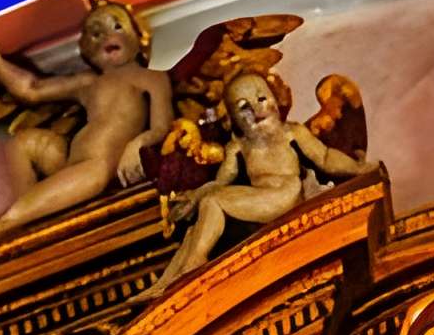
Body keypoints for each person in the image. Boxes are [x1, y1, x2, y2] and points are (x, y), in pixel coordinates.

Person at [0, 0, 173, 269]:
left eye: (117, 25)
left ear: (139, 36)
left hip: (96, 168)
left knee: (11, 217)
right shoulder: (88, 83)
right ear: (85, 51)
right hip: (71, 160)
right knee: (24, 142)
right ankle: (34, 220)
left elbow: (162, 126)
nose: (105, 35)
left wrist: (137, 144)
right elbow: (32, 89)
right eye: (95, 33)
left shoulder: (151, 78)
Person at [156, 69, 369, 289]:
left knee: (214, 202)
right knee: (202, 215)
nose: (256, 109)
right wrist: (195, 196)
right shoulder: (238, 147)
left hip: (286, 194)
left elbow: (325, 157)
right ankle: (176, 275)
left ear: (277, 101)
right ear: (233, 121)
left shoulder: (291, 132)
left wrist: (357, 168)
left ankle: (195, 261)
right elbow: (221, 182)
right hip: (262, 198)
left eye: (261, 98)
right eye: (243, 107)